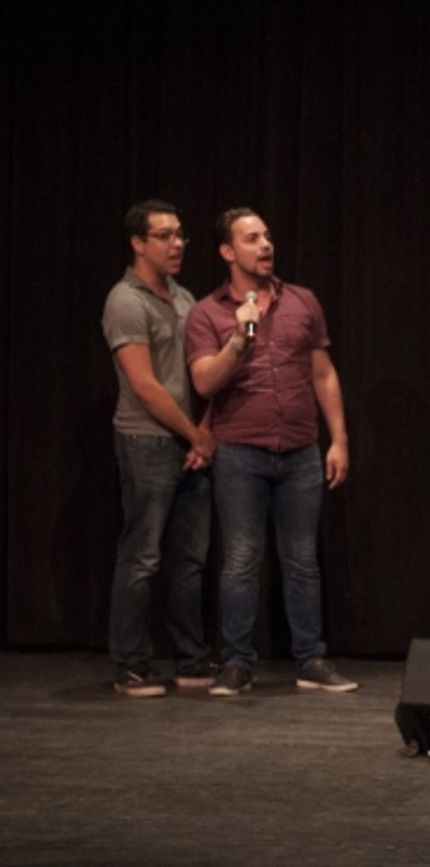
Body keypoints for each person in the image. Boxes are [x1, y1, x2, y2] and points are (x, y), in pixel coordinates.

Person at [184, 208, 357, 695]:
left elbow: (323, 373)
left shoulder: (303, 301)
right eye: (252, 238)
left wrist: (338, 438)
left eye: (267, 236)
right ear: (227, 251)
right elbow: (204, 381)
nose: (265, 245)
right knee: (240, 559)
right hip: (241, 450)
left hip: (300, 449)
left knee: (302, 559)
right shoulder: (207, 313)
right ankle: (237, 663)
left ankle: (311, 659)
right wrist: (240, 337)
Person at [101, 200, 218, 697]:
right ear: (138, 243)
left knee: (189, 559)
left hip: (193, 441)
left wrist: (203, 431)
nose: (178, 244)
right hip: (147, 441)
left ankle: (192, 660)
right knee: (143, 556)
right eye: (165, 236)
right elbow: (146, 387)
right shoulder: (125, 301)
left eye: (180, 235)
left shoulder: (185, 297)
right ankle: (131, 664)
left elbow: (205, 377)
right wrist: (195, 435)